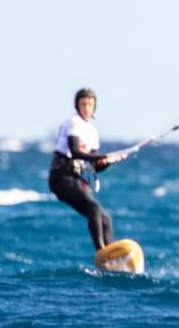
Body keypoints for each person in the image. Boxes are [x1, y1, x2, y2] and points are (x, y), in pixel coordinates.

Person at [48, 88, 127, 251]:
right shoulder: (73, 122)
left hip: (76, 179)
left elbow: (95, 167)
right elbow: (76, 151)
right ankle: (101, 251)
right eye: (83, 104)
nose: (86, 108)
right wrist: (103, 156)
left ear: (94, 107)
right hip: (61, 178)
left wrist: (110, 160)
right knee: (94, 210)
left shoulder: (92, 131)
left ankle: (111, 254)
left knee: (105, 217)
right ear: (77, 105)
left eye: (90, 104)